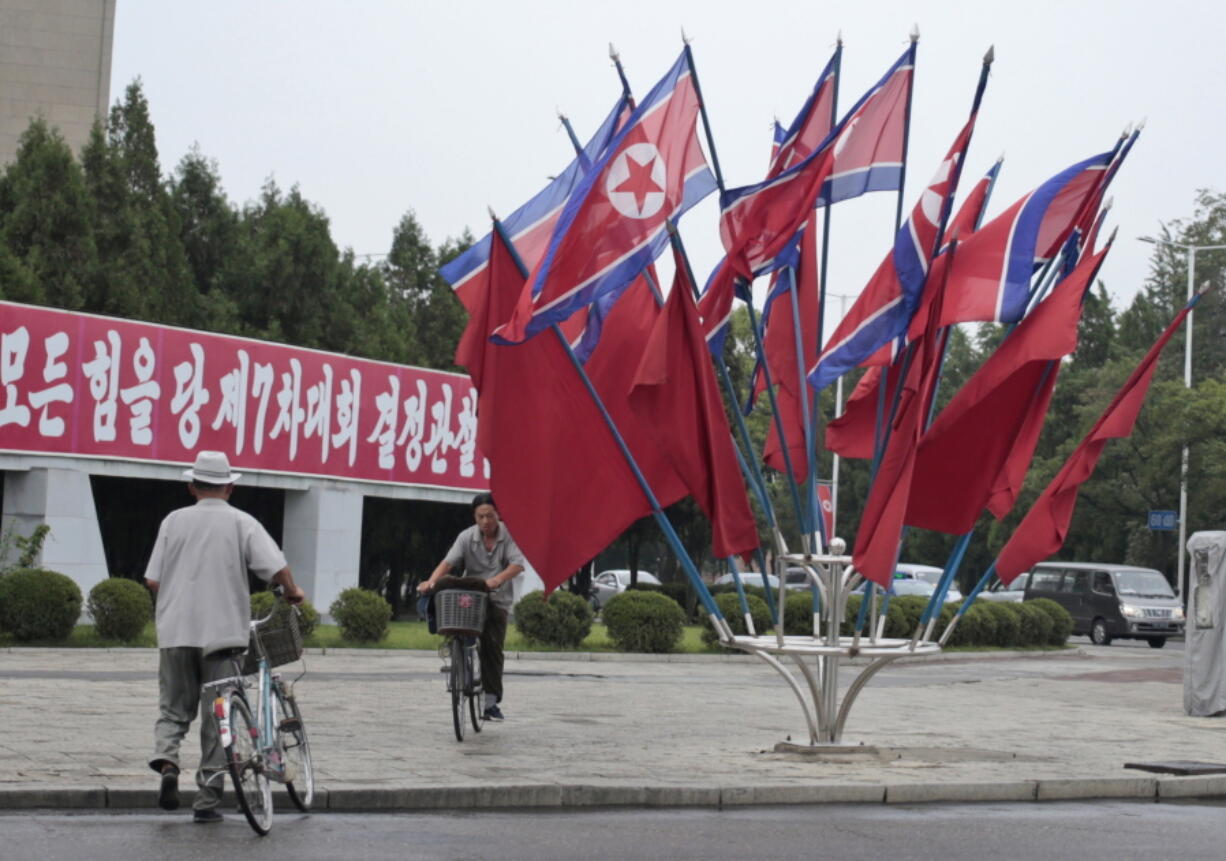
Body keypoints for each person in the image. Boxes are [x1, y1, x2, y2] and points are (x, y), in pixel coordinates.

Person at [144, 450, 304, 823]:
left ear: (191, 486)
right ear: (230, 487)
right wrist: (293, 591)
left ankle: (167, 762)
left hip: (175, 632)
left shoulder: (172, 521)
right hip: (223, 637)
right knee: (218, 719)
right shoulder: (241, 521)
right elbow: (275, 567)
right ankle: (207, 801)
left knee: (172, 709)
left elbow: (153, 579)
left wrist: (175, 600)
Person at [418, 492, 524, 720]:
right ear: (474, 517)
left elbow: (517, 564)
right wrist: (431, 581)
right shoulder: (466, 537)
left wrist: (497, 579)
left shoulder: (510, 535)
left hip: (496, 597)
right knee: (446, 591)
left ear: (499, 514)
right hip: (471, 595)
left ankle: (490, 702)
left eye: (490, 516)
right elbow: (447, 563)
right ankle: (459, 655)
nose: (486, 521)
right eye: (480, 517)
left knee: (492, 646)